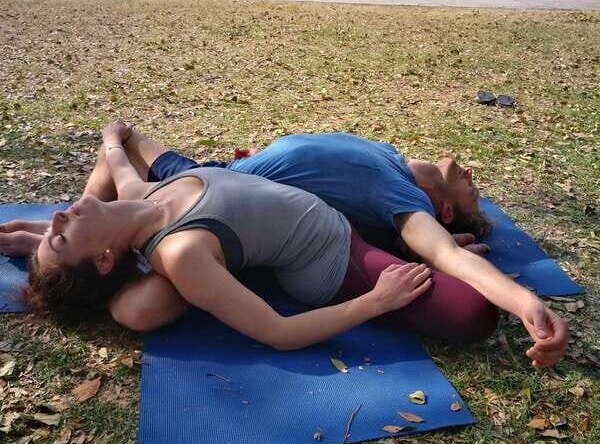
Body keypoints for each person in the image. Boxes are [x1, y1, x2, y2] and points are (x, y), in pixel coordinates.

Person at [3, 123, 567, 367]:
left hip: (333, 217)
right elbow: (278, 332)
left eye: (53, 225)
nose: (61, 214)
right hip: (332, 257)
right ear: (106, 258)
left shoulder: (139, 193)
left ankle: (32, 246)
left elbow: (119, 159)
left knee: (443, 258)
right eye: (61, 234)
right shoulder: (180, 253)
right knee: (472, 314)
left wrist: (111, 137)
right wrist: (374, 302)